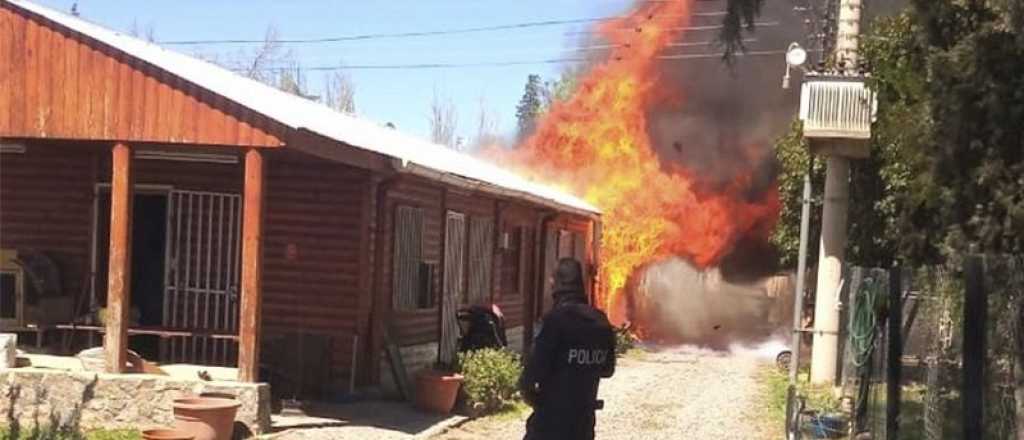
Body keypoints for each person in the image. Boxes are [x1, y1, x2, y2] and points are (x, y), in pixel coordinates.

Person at [519, 258, 616, 440]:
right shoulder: (601, 321)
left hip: (549, 427)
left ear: (556, 284)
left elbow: (529, 379)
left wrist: (540, 403)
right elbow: (608, 369)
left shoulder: (554, 321)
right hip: (583, 425)